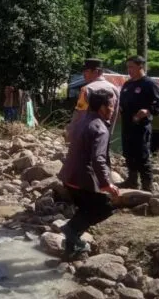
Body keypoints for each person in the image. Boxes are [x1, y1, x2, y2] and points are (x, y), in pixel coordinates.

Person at [59, 89, 120, 256]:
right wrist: (106, 184)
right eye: (112, 106)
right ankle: (70, 230)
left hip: (68, 177)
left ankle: (70, 250)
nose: (113, 110)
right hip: (82, 180)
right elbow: (98, 159)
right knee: (105, 208)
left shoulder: (82, 121)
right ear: (102, 107)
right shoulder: (100, 128)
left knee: (85, 210)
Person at [118, 55, 159, 192]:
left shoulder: (149, 83)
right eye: (127, 67)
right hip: (127, 124)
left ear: (140, 66)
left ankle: (147, 185)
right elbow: (121, 101)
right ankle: (132, 181)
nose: (129, 70)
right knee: (128, 152)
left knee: (142, 154)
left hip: (141, 126)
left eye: (132, 67)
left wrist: (148, 110)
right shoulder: (127, 84)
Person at [69, 59, 120, 137]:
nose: (83, 74)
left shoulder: (87, 89)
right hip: (105, 134)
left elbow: (79, 114)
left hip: (86, 135)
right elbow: (115, 114)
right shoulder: (114, 88)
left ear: (96, 72)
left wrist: (70, 132)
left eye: (86, 71)